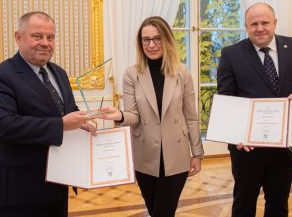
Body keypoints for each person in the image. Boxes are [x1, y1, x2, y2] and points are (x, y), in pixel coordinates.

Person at [99, 16, 204, 217]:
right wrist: (120, 115)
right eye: (146, 40)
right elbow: (133, 116)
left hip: (176, 156)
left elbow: (191, 117)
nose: (152, 44)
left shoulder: (182, 73)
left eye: (157, 38)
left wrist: (197, 154)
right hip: (145, 156)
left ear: (167, 40)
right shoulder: (132, 74)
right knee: (155, 210)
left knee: (164, 212)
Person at [0, 12, 96, 217]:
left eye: (50, 37)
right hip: (21, 192)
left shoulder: (59, 73)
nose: (45, 43)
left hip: (58, 185)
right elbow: (5, 125)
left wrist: (82, 122)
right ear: (18, 37)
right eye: (37, 36)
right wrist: (60, 124)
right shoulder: (4, 74)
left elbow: (67, 111)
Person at [217, 2, 292, 217]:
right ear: (246, 26)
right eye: (254, 24)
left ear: (275, 23)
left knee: (278, 205)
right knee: (244, 205)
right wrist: (236, 135)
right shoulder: (231, 54)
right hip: (247, 149)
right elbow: (227, 99)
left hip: (286, 149)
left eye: (265, 22)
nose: (260, 28)